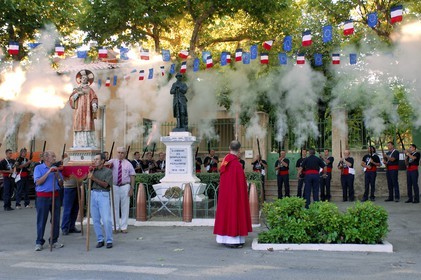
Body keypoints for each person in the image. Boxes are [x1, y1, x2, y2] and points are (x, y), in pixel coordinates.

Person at [213, 140, 252, 248]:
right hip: (236, 196)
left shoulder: (225, 161)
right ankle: (235, 240)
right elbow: (242, 184)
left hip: (226, 196)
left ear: (229, 147)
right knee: (236, 213)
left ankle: (225, 239)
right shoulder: (237, 165)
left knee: (226, 214)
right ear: (239, 150)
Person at [33, 151, 64, 251]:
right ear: (46, 158)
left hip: (55, 196)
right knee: (41, 220)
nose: (55, 158)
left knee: (56, 219)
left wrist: (57, 175)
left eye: (55, 156)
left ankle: (54, 240)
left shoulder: (56, 169)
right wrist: (48, 172)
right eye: (53, 156)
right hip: (43, 197)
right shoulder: (38, 168)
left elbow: (61, 184)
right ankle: (39, 242)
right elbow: (38, 182)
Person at [107, 147, 135, 233]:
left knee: (125, 206)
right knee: (114, 207)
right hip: (114, 186)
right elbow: (104, 167)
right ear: (116, 153)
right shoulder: (111, 162)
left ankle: (124, 227)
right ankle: (114, 226)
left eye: (122, 153)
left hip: (125, 186)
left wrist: (132, 188)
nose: (120, 154)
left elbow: (132, 175)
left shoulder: (128, 164)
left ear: (125, 154)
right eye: (119, 152)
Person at [88, 153, 114, 249]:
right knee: (95, 219)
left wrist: (94, 178)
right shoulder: (92, 171)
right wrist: (87, 178)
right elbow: (87, 184)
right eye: (94, 159)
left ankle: (109, 240)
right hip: (93, 194)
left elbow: (106, 185)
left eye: (97, 159)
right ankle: (100, 239)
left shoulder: (108, 171)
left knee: (106, 219)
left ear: (103, 161)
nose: (95, 161)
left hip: (103, 194)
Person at [69, 69, 98, 148]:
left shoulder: (90, 90)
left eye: (86, 78)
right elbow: (71, 99)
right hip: (79, 110)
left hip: (87, 111)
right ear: (80, 79)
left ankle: (88, 143)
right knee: (78, 125)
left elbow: (94, 98)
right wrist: (77, 94)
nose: (84, 79)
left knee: (87, 124)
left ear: (87, 80)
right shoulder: (77, 89)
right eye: (83, 78)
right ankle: (78, 143)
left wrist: (94, 104)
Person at [61, 157, 81, 235]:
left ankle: (72, 226)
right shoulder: (67, 160)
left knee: (75, 209)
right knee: (68, 209)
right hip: (69, 187)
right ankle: (65, 227)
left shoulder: (79, 159)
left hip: (77, 186)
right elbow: (67, 171)